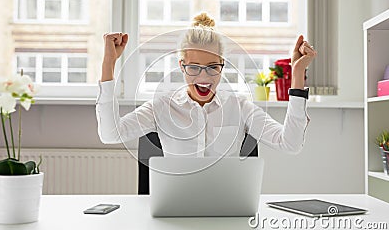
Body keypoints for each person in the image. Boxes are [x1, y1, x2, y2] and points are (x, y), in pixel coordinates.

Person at [96, 12, 317, 157]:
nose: (204, 77)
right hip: (176, 213)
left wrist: (297, 74)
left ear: (223, 65)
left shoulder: (239, 106)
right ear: (181, 66)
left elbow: (290, 144)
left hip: (227, 212)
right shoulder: (161, 106)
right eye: (194, 68)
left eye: (213, 67)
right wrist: (109, 64)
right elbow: (110, 134)